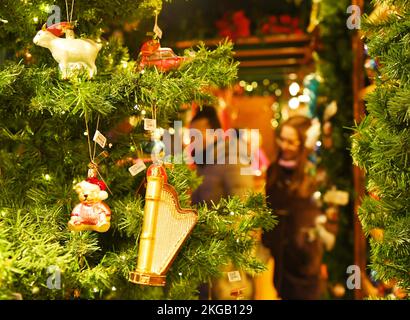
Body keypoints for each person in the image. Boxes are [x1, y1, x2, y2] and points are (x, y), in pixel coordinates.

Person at [262, 115, 336, 300]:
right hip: (281, 257)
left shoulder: (312, 175)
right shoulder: (274, 170)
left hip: (306, 262)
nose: (284, 146)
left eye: (291, 142)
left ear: (302, 143)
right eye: (282, 139)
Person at [189, 106, 255, 299]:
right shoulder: (206, 163)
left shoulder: (232, 160)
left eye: (196, 136)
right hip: (209, 255)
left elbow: (245, 209)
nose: (192, 142)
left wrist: (229, 255)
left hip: (226, 259)